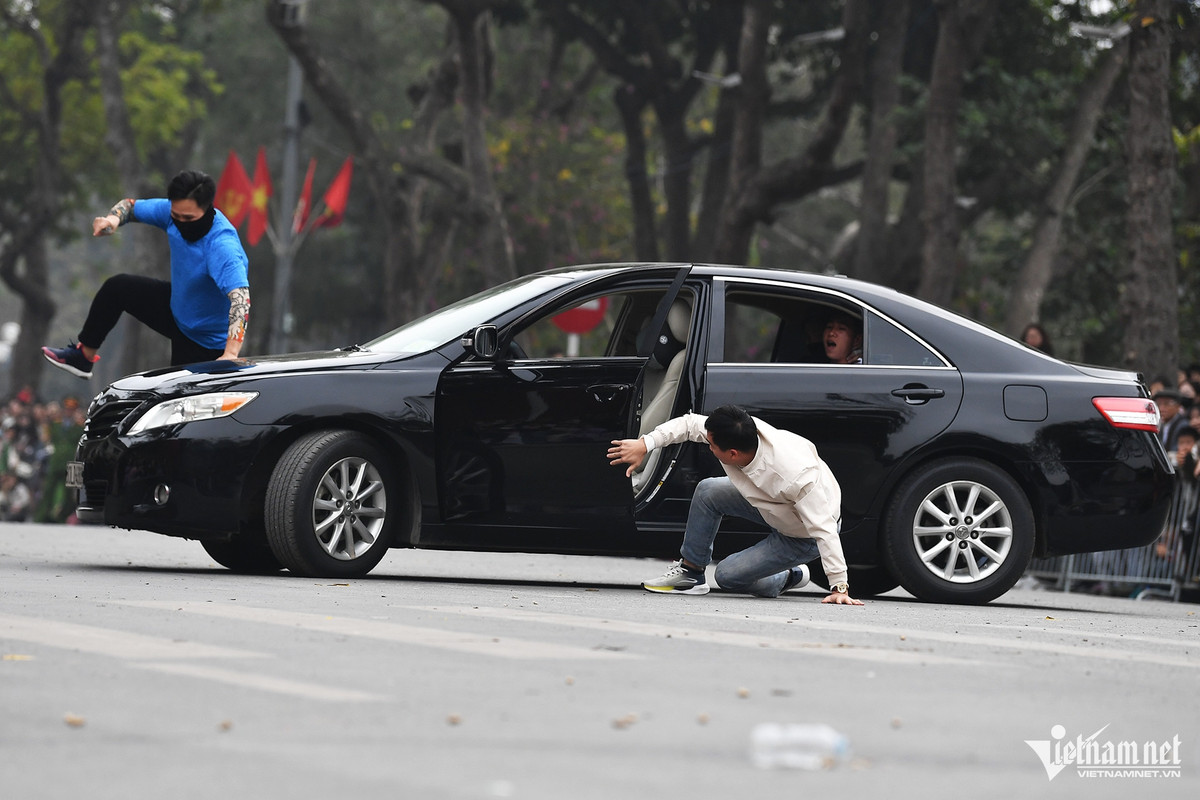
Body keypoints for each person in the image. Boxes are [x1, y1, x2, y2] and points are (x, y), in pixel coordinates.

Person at [607, 404, 864, 605]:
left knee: (728, 576)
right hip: (771, 504)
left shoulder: (795, 475)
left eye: (711, 445)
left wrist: (839, 586)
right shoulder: (738, 433)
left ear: (732, 454)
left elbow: (824, 529)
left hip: (802, 532)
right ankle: (691, 573)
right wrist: (645, 444)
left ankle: (791, 574)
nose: (707, 447)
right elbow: (688, 425)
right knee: (708, 490)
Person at [42, 170, 250, 379]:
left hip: (205, 341)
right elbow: (130, 206)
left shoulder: (222, 246)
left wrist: (230, 354)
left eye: (188, 218)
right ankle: (82, 357)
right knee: (118, 288)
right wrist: (113, 219)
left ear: (206, 209)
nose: (180, 223)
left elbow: (241, 299)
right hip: (177, 308)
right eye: (176, 216)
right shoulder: (170, 213)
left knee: (178, 398)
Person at [1154, 388, 1188, 452]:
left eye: (1166, 404)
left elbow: (1176, 451)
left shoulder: (1183, 426)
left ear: (1178, 406)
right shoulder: (1160, 424)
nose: (1161, 408)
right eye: (1159, 404)